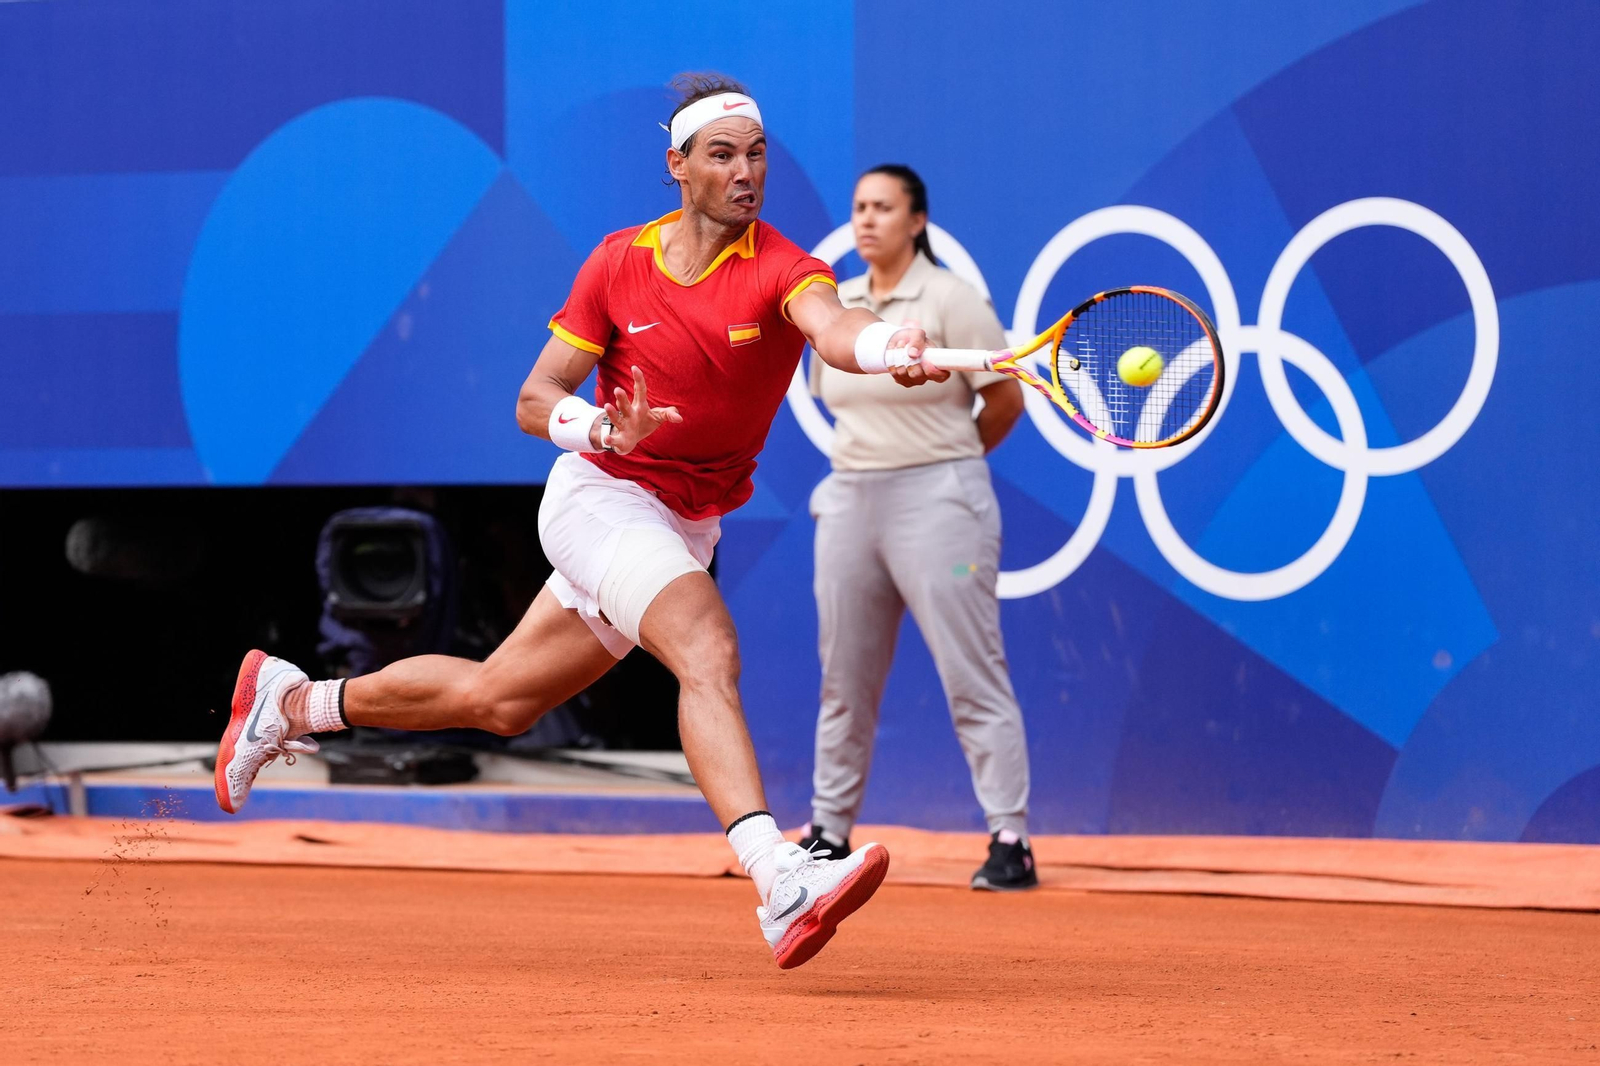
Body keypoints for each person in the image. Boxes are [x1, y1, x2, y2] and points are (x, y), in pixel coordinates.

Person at [212, 74, 949, 970]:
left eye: (756, 153)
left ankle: (292, 702)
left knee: (501, 699)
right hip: (600, 496)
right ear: (678, 165)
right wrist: (603, 424)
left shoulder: (785, 266)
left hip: (684, 524)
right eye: (722, 154)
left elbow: (837, 329)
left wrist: (888, 348)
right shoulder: (616, 262)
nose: (746, 171)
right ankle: (779, 878)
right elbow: (534, 399)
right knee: (706, 650)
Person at [799, 165, 1038, 891]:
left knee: (972, 672)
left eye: (884, 208)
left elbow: (1002, 403)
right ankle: (828, 833)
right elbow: (834, 395)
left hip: (940, 499)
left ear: (918, 221)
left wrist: (946, 464)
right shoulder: (835, 307)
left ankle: (1010, 838)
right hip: (848, 500)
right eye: (859, 208)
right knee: (844, 680)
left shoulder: (953, 299)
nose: (867, 219)